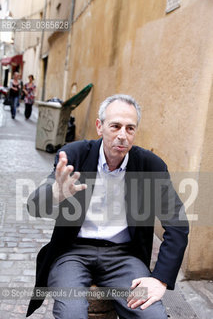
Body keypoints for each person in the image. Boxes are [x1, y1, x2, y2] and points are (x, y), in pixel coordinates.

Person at [26, 94, 189, 318]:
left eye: (130, 128)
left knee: (152, 315)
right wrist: (55, 193)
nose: (122, 135)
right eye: (115, 126)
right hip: (72, 253)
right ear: (99, 126)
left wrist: (160, 278)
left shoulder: (151, 166)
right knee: (71, 313)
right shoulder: (75, 156)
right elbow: (34, 207)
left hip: (124, 257)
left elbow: (177, 223)